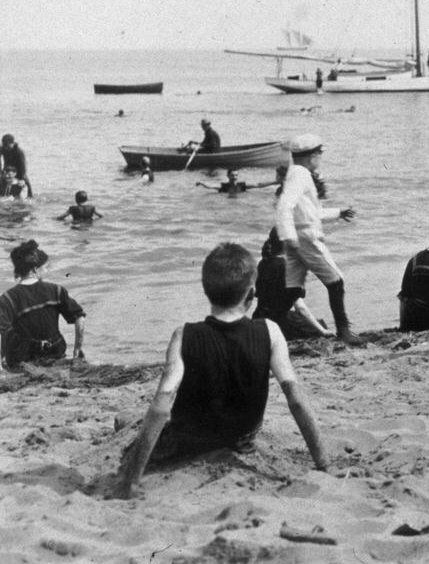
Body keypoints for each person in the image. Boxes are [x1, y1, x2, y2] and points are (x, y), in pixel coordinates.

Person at [112, 243, 328, 498]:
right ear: (251, 293)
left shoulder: (184, 334)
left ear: (206, 291)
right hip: (242, 438)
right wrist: (323, 464)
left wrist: (133, 479)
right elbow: (296, 399)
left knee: (124, 421)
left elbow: (161, 406)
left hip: (190, 439)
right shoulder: (270, 331)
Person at [274, 133, 361, 346]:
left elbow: (310, 212)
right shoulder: (301, 174)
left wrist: (337, 212)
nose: (320, 158)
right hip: (305, 236)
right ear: (311, 156)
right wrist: (290, 237)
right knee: (336, 280)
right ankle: (344, 331)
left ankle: (270, 322)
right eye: (319, 154)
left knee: (293, 287)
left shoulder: (296, 173)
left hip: (299, 233)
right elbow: (285, 206)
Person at [0, 241, 86, 371]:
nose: (46, 271)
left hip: (25, 361)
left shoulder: (7, 299)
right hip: (55, 355)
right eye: (45, 268)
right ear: (35, 269)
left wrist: (3, 360)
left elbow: (5, 332)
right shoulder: (56, 290)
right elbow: (80, 318)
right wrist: (76, 351)